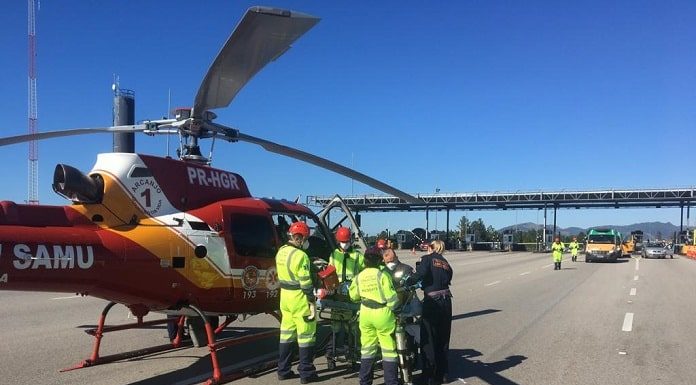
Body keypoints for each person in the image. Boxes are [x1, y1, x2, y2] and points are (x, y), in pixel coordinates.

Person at [349, 246, 400, 385]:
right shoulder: (382, 275)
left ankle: (365, 381)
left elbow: (353, 296)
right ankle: (391, 381)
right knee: (388, 350)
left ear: (365, 260)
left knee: (367, 349)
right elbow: (392, 299)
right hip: (382, 314)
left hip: (365, 313)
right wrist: (396, 308)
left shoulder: (359, 276)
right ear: (379, 261)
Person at [276, 221, 319, 384]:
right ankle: (306, 373)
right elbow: (306, 282)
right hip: (299, 298)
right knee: (306, 335)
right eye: (305, 238)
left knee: (286, 335)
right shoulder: (301, 256)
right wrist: (311, 298)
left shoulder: (281, 252)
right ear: (298, 238)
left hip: (285, 297)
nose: (306, 242)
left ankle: (283, 370)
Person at [407, 239, 452, 385]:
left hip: (432, 303)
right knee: (443, 339)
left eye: (429, 246)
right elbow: (448, 278)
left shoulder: (427, 259)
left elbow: (419, 275)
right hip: (446, 302)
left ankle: (428, 376)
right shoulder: (446, 263)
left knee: (428, 339)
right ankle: (442, 374)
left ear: (432, 248)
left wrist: (407, 282)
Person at [326, 226, 364, 370]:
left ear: (350, 241)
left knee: (352, 329)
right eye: (342, 241)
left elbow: (363, 273)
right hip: (337, 295)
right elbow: (330, 272)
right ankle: (331, 355)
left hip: (352, 295)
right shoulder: (334, 255)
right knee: (335, 327)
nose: (344, 244)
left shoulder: (357, 256)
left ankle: (352, 356)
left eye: (346, 241)